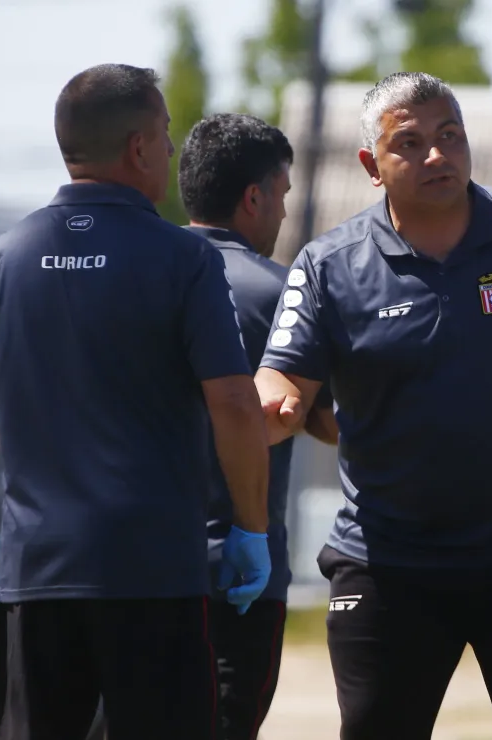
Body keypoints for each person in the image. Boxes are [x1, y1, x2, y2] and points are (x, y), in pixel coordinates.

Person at [254, 71, 492, 740]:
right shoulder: (329, 264)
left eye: (449, 137)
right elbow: (282, 387)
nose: (436, 155)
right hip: (389, 564)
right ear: (371, 166)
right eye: (409, 143)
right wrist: (261, 412)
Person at [0, 64, 271, 740]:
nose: (173, 151)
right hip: (156, 574)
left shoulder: (3, 256)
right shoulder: (185, 259)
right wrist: (252, 528)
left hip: (33, 575)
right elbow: (236, 402)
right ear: (138, 147)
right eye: (167, 134)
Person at [177, 112, 339, 740]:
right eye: (282, 195)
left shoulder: (138, 278)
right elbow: (329, 424)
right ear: (255, 197)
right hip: (239, 576)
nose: (281, 213)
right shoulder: (283, 294)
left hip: (129, 563)